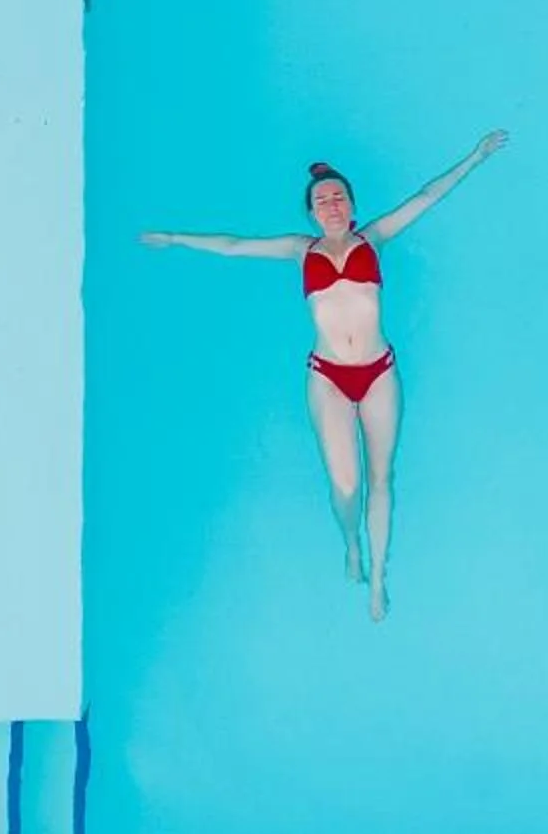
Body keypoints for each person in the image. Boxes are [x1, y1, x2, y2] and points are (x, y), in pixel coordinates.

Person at [142, 133, 507, 620]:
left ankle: (377, 577)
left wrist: (475, 157)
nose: (331, 205)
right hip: (329, 377)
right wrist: (175, 238)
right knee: (346, 487)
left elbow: (426, 196)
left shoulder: (373, 237)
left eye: (339, 197)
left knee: (381, 477)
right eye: (322, 200)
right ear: (311, 212)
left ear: (352, 205)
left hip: (378, 373)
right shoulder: (300, 249)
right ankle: (351, 543)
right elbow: (234, 246)